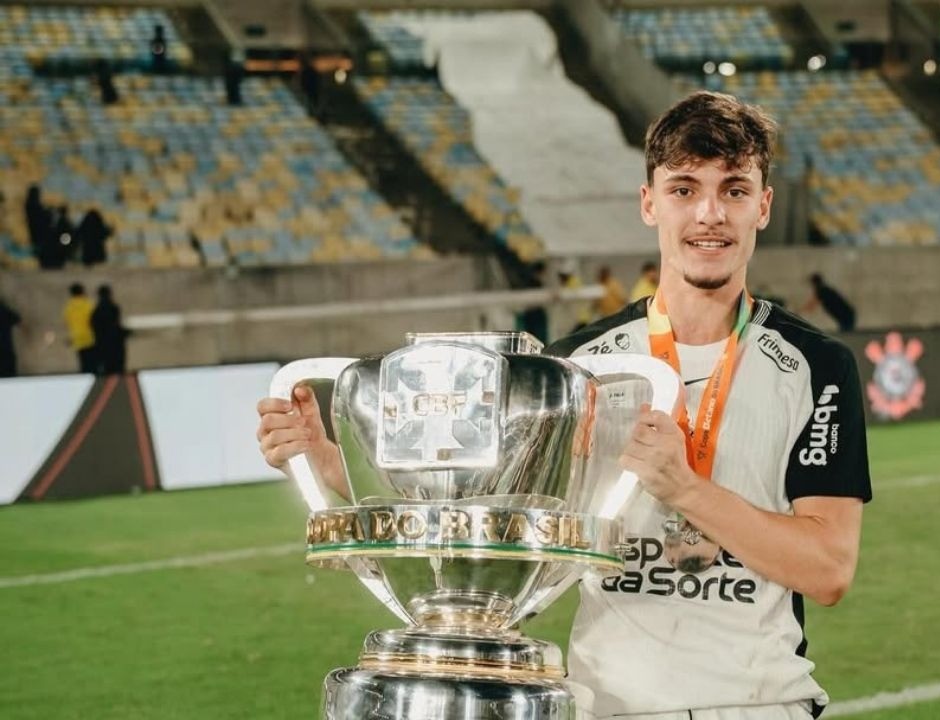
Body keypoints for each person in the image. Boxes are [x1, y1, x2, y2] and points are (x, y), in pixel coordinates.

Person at [254, 91, 871, 719]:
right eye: (684, 190)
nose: (709, 214)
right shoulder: (578, 368)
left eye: (734, 190)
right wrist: (333, 465)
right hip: (608, 707)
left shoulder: (816, 366)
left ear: (763, 206)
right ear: (649, 203)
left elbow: (827, 570)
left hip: (760, 704)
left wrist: (684, 488)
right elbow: (484, 520)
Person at [90, 284, 128, 374]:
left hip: (102, 345)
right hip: (116, 344)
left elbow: (94, 327)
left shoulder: (96, 311)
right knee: (118, 370)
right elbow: (116, 325)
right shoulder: (114, 308)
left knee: (107, 372)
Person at [63, 283, 96, 374]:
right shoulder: (88, 304)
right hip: (90, 338)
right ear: (82, 291)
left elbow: (67, 323)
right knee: (93, 365)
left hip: (77, 339)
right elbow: (94, 320)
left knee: (84, 364)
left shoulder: (68, 308)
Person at [0, 297, 19, 378]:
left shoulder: (3, 310)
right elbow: (19, 321)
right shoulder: (4, 310)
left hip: (6, 354)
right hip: (6, 354)